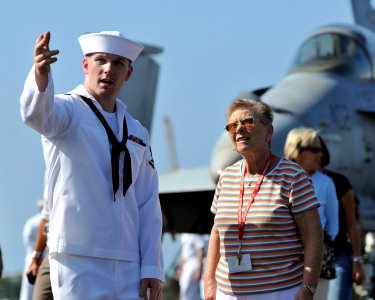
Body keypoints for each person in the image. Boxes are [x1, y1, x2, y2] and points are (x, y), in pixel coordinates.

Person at [20, 30, 164, 300]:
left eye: (118, 63)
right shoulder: (67, 110)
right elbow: (36, 115)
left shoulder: (136, 131)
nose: (108, 69)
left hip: (128, 261)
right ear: (86, 65)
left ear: (129, 74)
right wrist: (40, 75)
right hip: (77, 256)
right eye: (101, 60)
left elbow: (147, 203)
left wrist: (153, 266)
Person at [204, 98, 323, 300]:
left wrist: (308, 287)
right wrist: (209, 283)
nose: (239, 129)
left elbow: (314, 237)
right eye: (233, 125)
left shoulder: (293, 176)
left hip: (279, 292)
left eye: (248, 122)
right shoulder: (226, 177)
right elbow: (216, 232)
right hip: (227, 293)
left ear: (269, 132)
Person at [284, 127, 339, 299]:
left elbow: (333, 227)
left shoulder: (326, 183)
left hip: (317, 265)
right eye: (314, 150)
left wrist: (315, 251)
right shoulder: (278, 179)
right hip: (283, 264)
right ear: (296, 150)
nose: (320, 155)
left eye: (320, 150)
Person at [318, 136, 365, 300]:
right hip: (304, 259)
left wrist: (357, 261)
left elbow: (352, 224)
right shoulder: (296, 182)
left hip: (337, 255)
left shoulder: (339, 182)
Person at [20, 200, 43, 300]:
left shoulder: (31, 222)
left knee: (28, 293)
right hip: (38, 258)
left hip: (32, 258)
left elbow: (27, 241)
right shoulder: (40, 221)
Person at [176, 233, 206, 300]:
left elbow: (200, 250)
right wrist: (180, 268)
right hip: (186, 266)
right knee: (183, 290)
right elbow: (184, 254)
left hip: (193, 265)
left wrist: (199, 269)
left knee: (191, 291)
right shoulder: (183, 235)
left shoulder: (195, 235)